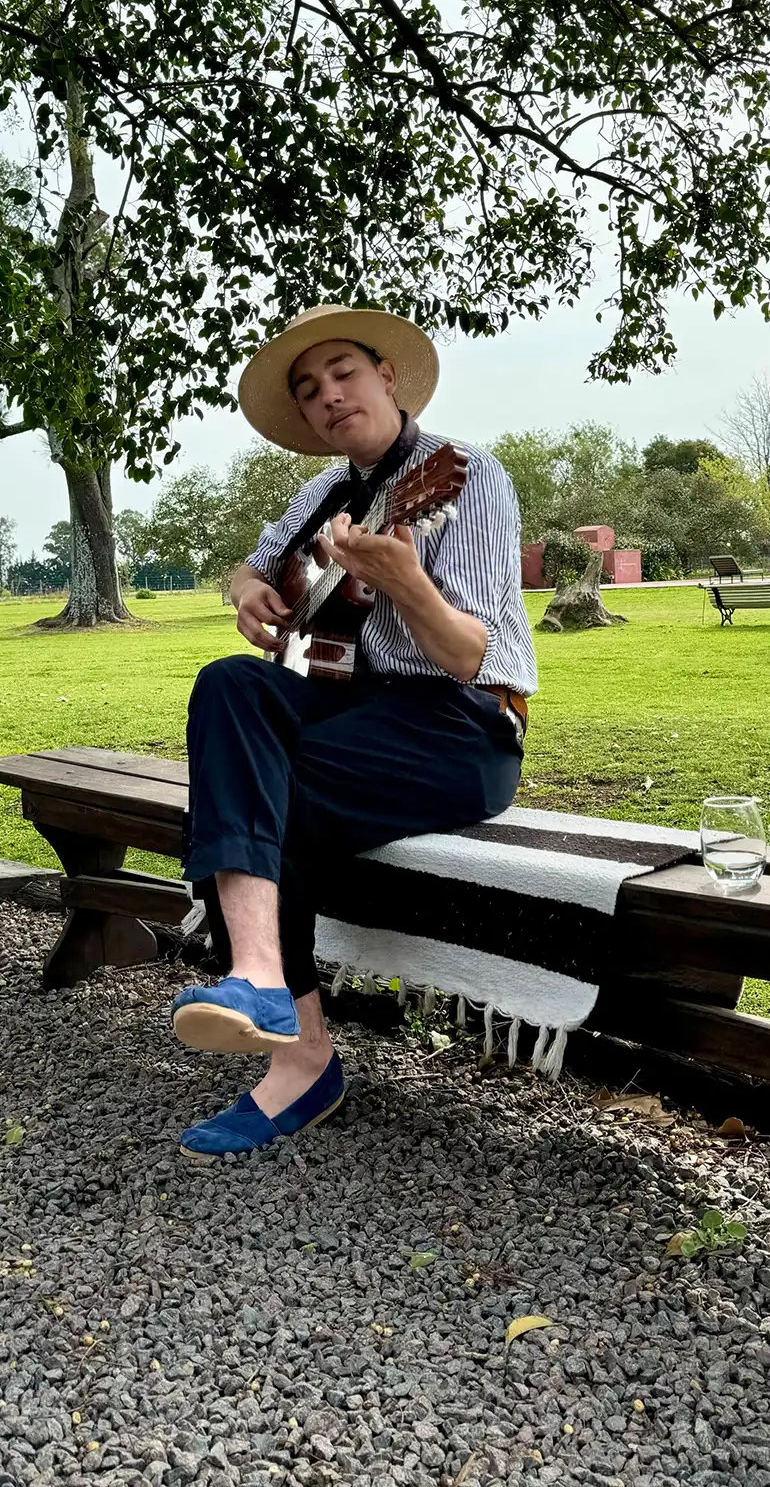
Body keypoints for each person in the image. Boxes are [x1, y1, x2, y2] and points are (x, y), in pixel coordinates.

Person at [172, 303, 536, 1158]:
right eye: (309, 389)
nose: (330, 396)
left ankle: (302, 1062)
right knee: (230, 684)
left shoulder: (467, 475)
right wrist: (245, 589)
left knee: (250, 805)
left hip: (462, 726)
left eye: (344, 373)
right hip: (356, 712)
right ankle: (259, 980)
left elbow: (471, 656)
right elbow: (254, 564)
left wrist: (408, 585)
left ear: (389, 379)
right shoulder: (321, 495)